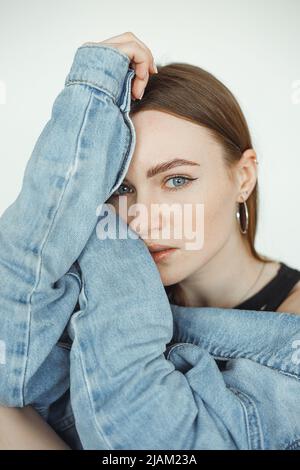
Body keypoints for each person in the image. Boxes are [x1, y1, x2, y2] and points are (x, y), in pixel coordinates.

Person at [0, 32, 300, 450]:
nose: (142, 217)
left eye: (177, 179)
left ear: (243, 177)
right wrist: (93, 92)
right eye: (121, 190)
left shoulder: (292, 334)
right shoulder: (87, 302)